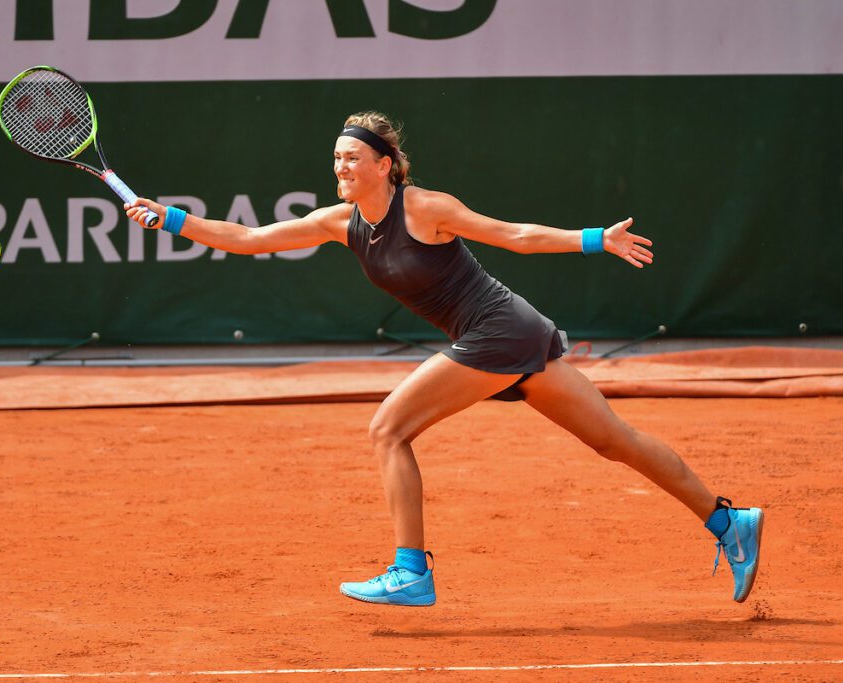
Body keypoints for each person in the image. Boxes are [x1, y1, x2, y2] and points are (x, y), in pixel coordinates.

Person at [125, 111, 764, 607]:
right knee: (614, 442)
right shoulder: (339, 221)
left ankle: (411, 572)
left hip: (495, 329)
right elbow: (248, 239)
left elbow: (513, 235)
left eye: (351, 158)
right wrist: (170, 218)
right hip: (505, 337)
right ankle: (728, 521)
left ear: (385, 164)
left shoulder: (426, 208)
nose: (340, 167)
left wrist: (596, 239)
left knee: (388, 428)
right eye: (336, 159)